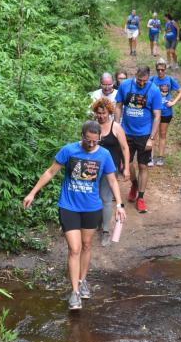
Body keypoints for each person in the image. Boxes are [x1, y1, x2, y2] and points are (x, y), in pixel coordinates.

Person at [22, 120, 127, 310]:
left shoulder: (104, 155)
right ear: (82, 137)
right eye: (88, 141)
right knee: (75, 248)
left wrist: (119, 204)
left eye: (95, 141)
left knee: (87, 245)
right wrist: (32, 192)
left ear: (99, 139)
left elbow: (112, 180)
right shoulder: (69, 150)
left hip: (92, 207)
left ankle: (82, 280)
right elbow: (51, 171)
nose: (91, 145)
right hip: (69, 206)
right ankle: (75, 293)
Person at [114, 65, 163, 214]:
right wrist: (117, 127)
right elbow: (118, 106)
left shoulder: (154, 90)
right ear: (135, 75)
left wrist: (152, 138)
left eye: (145, 81)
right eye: (139, 80)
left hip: (144, 134)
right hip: (126, 132)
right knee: (127, 164)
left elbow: (157, 116)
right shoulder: (125, 85)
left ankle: (141, 197)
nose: (142, 83)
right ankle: (134, 184)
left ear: (148, 78)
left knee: (143, 166)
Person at [92, 98, 131, 246]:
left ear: (109, 112)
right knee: (96, 196)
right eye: (98, 113)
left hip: (110, 168)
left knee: (106, 197)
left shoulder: (116, 127)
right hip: (93, 166)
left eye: (104, 113)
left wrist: (126, 167)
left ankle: (106, 231)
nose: (101, 116)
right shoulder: (93, 126)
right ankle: (98, 223)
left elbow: (125, 148)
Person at [150, 60, 181, 166]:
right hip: (154, 112)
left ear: (165, 69)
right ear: (156, 69)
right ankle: (150, 157)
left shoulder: (169, 79)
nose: (160, 71)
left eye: (162, 69)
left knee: (163, 134)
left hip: (166, 111)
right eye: (158, 69)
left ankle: (160, 157)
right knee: (152, 134)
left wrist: (173, 102)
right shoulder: (152, 79)